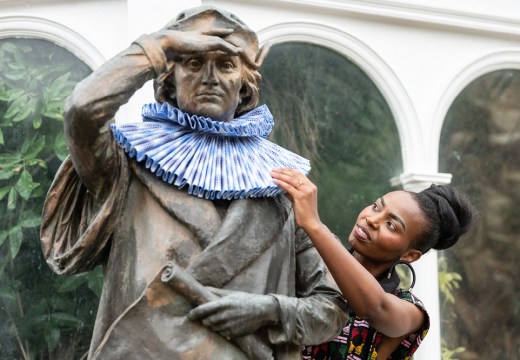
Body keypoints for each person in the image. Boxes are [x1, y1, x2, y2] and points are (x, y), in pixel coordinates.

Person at [39, 5, 348, 360]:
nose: (211, 77)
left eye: (226, 65)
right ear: (169, 80)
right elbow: (81, 110)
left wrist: (269, 309)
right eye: (194, 63)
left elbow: (332, 308)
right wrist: (161, 46)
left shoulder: (283, 186)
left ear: (245, 88)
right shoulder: (126, 163)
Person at [270, 168, 476, 360]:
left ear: (410, 255)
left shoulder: (412, 312)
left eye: (391, 225)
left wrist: (314, 224)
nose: (371, 219)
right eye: (377, 206)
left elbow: (374, 308)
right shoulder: (314, 263)